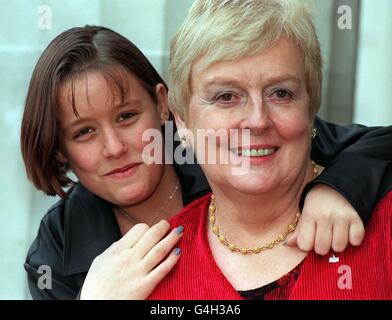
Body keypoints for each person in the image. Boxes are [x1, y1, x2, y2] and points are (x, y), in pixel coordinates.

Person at [21, 23, 391, 300]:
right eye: (83, 133)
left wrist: (337, 187)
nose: (114, 147)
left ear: (164, 104)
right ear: (58, 150)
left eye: (126, 117)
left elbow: (374, 142)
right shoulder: (55, 252)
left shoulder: (225, 146)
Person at [147, 0, 392, 299]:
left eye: (281, 93)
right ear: (181, 119)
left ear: (311, 108)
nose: (258, 120)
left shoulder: (384, 224)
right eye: (226, 96)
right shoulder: (152, 269)